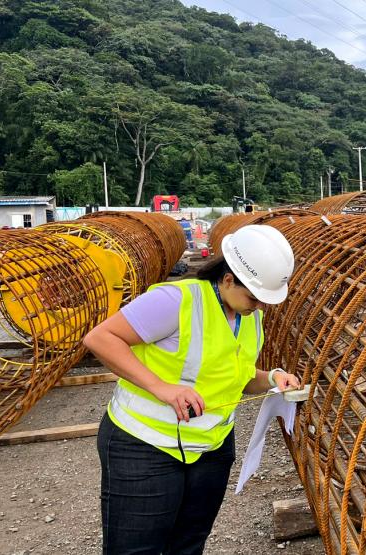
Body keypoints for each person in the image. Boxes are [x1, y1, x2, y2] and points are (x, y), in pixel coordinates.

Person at [84, 224, 299, 555]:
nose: (259, 307)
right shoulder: (175, 301)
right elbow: (100, 339)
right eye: (254, 298)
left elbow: (236, 375)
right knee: (135, 549)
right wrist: (163, 388)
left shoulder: (248, 316)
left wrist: (272, 378)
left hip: (211, 449)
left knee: (188, 545)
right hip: (145, 446)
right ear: (228, 279)